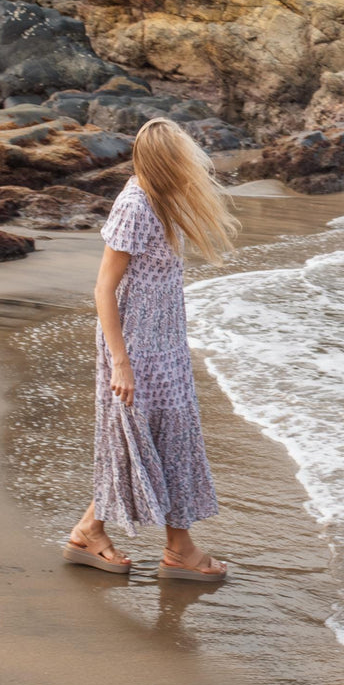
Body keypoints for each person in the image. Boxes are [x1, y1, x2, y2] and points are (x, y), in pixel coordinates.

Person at [62, 117, 239, 581]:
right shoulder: (134, 206)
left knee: (163, 439)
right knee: (143, 439)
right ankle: (173, 549)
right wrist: (121, 363)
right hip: (136, 348)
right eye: (181, 158)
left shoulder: (160, 200)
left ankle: (95, 532)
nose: (191, 165)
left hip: (165, 345)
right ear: (165, 162)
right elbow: (103, 288)